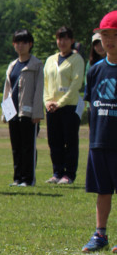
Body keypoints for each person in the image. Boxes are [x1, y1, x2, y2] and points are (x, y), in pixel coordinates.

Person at [81, 11, 117, 253]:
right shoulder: (95, 70)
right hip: (99, 141)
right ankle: (100, 234)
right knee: (102, 190)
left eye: (114, 35)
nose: (109, 40)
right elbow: (92, 105)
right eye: (104, 35)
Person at [43, 26, 85, 184]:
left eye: (66, 38)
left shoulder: (76, 59)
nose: (62, 42)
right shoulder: (50, 60)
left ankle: (69, 174)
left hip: (69, 107)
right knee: (54, 141)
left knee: (70, 141)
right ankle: (57, 172)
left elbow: (76, 84)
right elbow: (46, 84)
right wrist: (48, 101)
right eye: (60, 38)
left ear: (72, 41)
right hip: (52, 108)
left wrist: (59, 103)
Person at [2, 29, 44, 186]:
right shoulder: (12, 66)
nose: (20, 46)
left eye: (24, 42)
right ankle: (17, 177)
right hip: (13, 112)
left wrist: (37, 112)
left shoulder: (36, 65)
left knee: (28, 147)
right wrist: (5, 113)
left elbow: (39, 90)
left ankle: (28, 178)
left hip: (28, 112)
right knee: (16, 147)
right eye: (17, 42)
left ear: (30, 44)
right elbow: (7, 90)